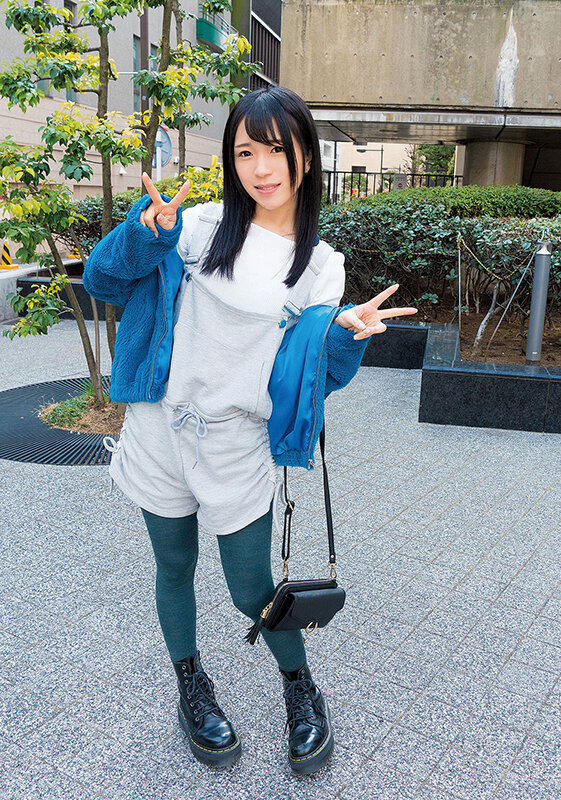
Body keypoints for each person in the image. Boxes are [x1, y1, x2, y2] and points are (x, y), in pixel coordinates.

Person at [83, 85, 416, 775]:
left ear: (305, 157)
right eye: (244, 152)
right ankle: (190, 684)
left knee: (249, 586)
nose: (261, 168)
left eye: (276, 150)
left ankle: (300, 686)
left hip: (235, 441)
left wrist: (345, 334)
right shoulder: (195, 226)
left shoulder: (320, 266)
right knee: (173, 566)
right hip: (159, 427)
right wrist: (145, 234)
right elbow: (102, 282)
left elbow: (316, 376)